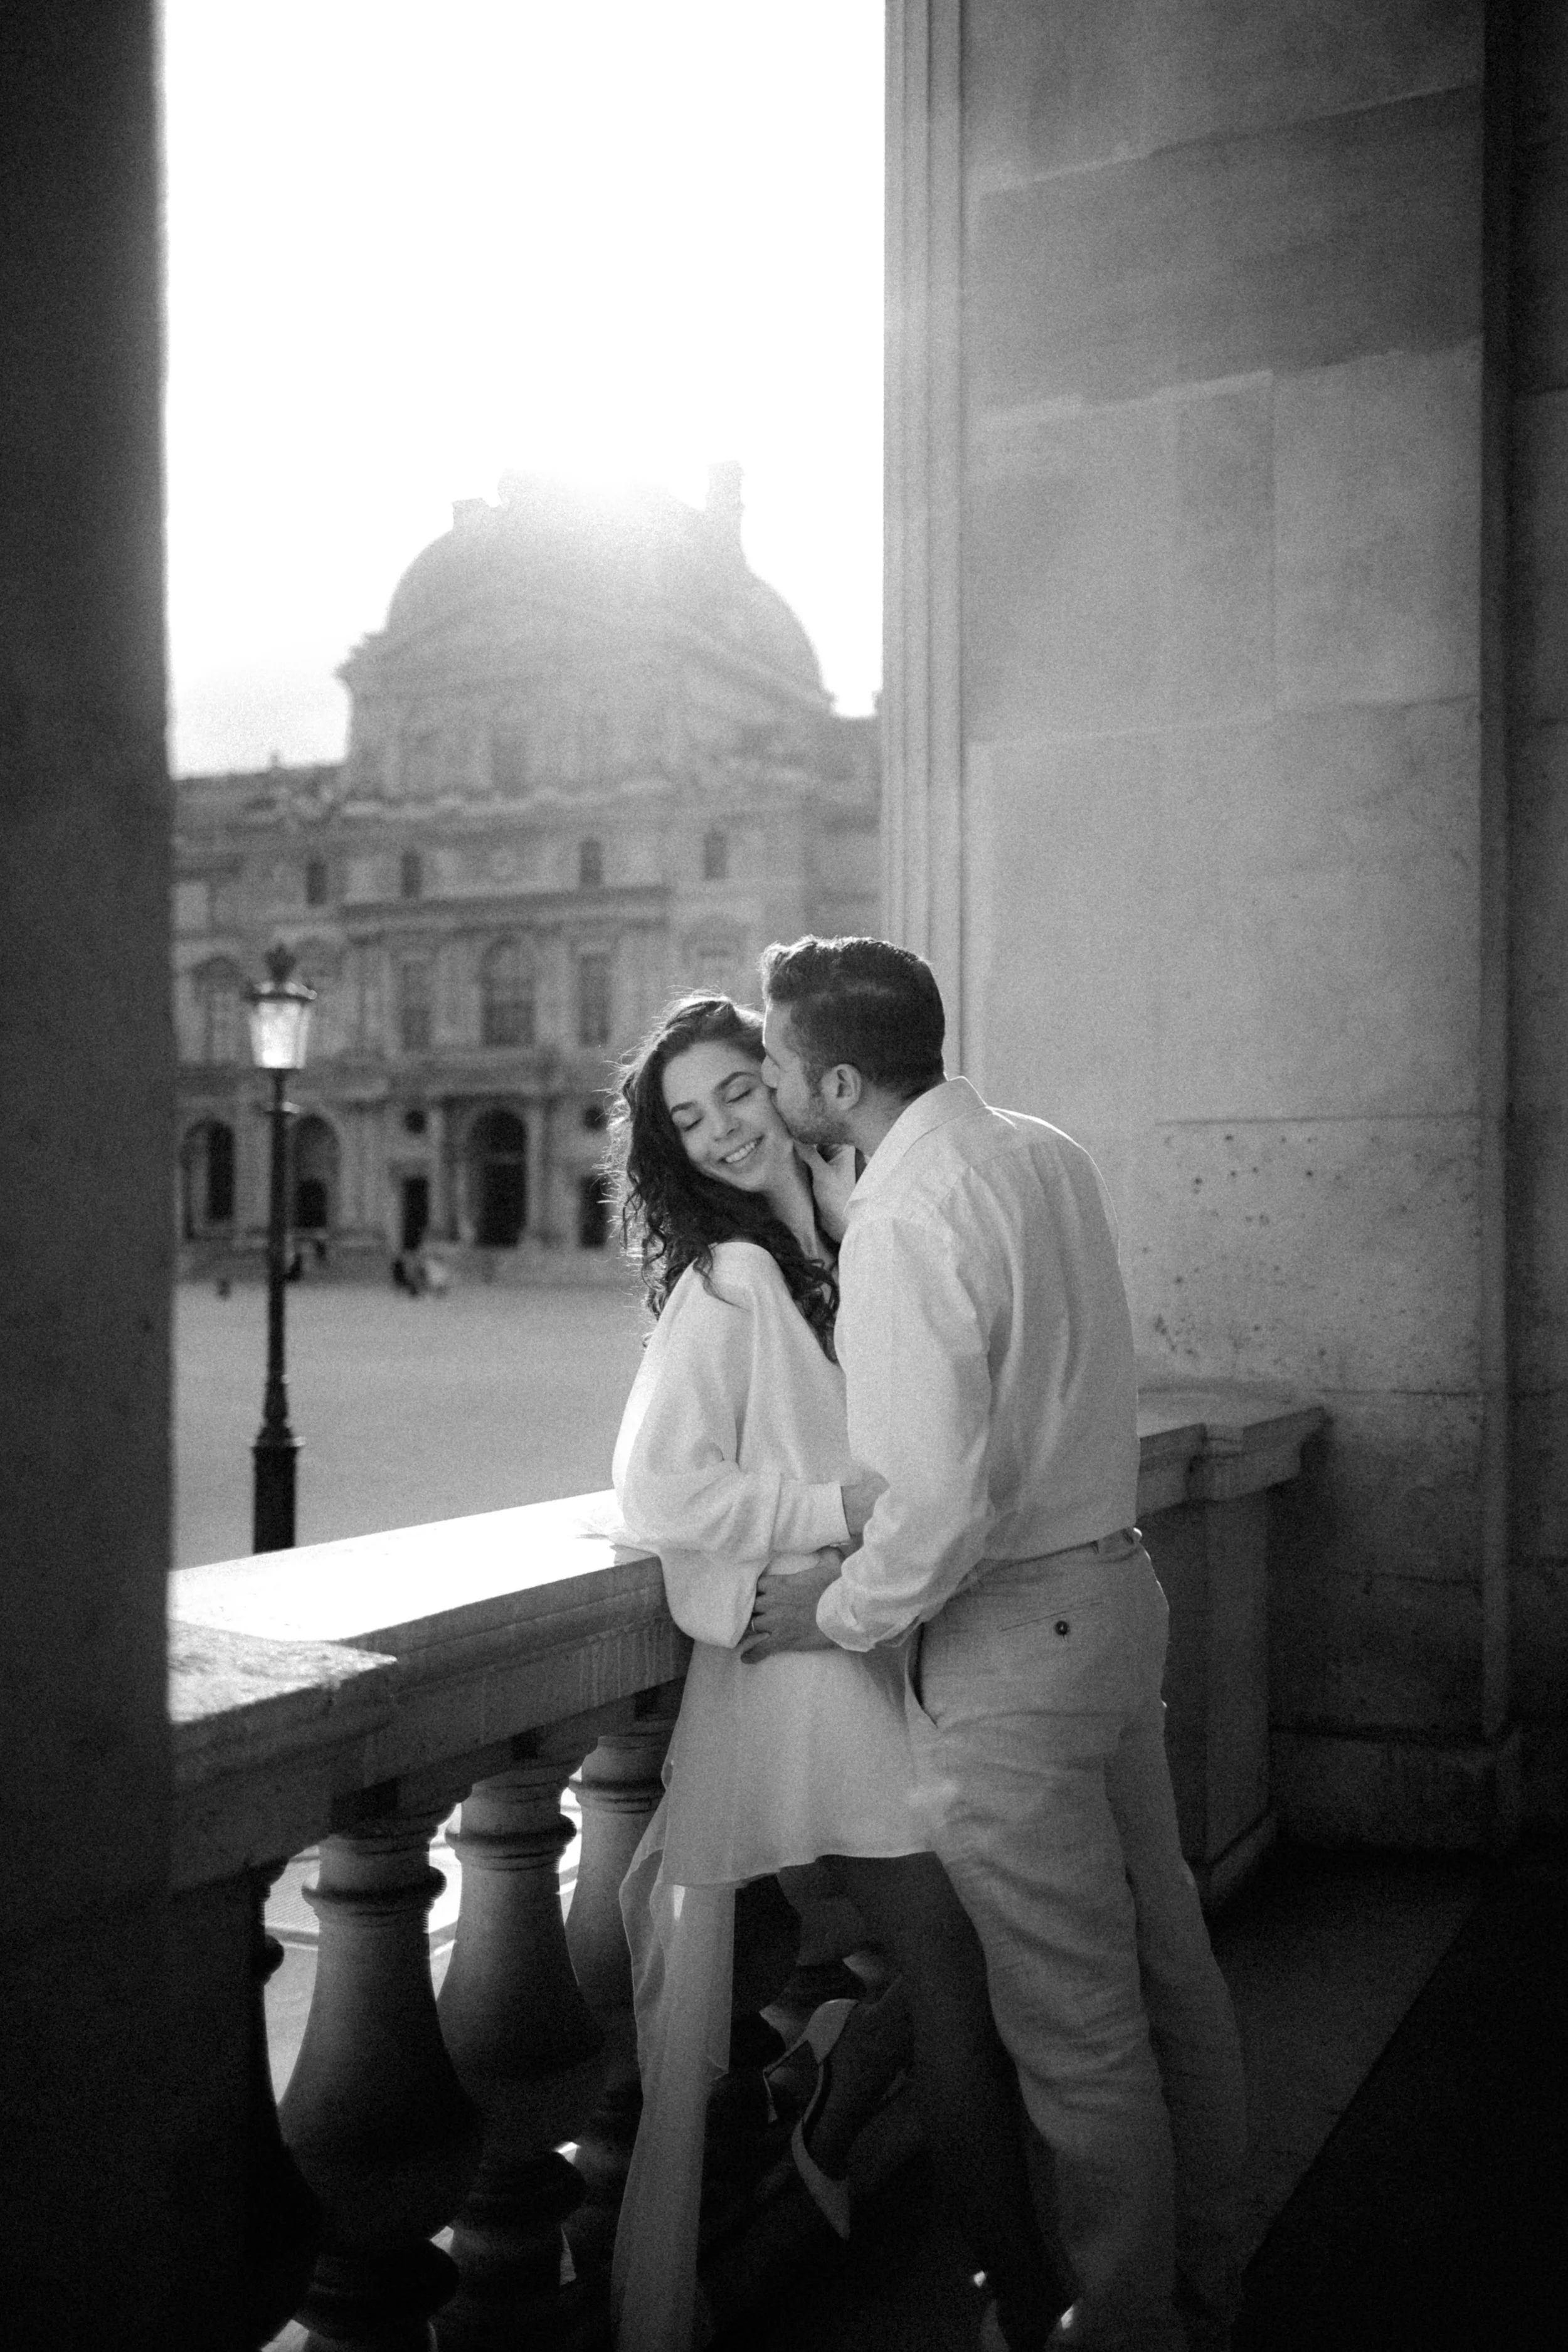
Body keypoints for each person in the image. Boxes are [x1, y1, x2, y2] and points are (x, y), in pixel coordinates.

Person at [744, 937, 1248, 2352]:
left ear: (836, 1082)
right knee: (1170, 1972)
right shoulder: (1038, 1149)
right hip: (1112, 1594)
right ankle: (1202, 2283)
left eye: (777, 1063)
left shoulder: (904, 1223)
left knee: (1077, 2032)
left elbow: (930, 1506)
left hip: (1011, 1645)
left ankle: (1123, 2328)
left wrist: (835, 1613)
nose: (772, 1082)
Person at [607, 993, 1062, 2352]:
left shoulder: (853, 1236)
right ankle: (1024, 2296)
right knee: (955, 1964)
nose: (720, 1131)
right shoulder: (732, 1280)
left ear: (787, 1079)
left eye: (736, 1092)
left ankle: (840, 2089)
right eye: (686, 1120)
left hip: (863, 1648)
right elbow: (655, 1490)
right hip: (794, 1669)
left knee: (956, 1960)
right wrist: (834, 1510)